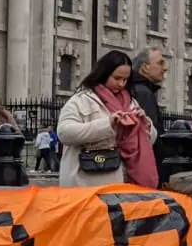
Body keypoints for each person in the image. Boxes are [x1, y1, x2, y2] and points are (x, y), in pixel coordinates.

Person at [58, 51, 157, 189]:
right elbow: (64, 133)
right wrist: (107, 124)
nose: (121, 84)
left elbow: (148, 142)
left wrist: (145, 124)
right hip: (86, 184)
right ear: (104, 74)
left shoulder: (131, 102)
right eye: (117, 78)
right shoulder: (81, 100)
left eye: (125, 79)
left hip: (123, 184)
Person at [129, 47, 167, 131]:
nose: (165, 68)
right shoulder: (143, 93)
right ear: (145, 67)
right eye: (160, 63)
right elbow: (150, 132)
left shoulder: (134, 88)